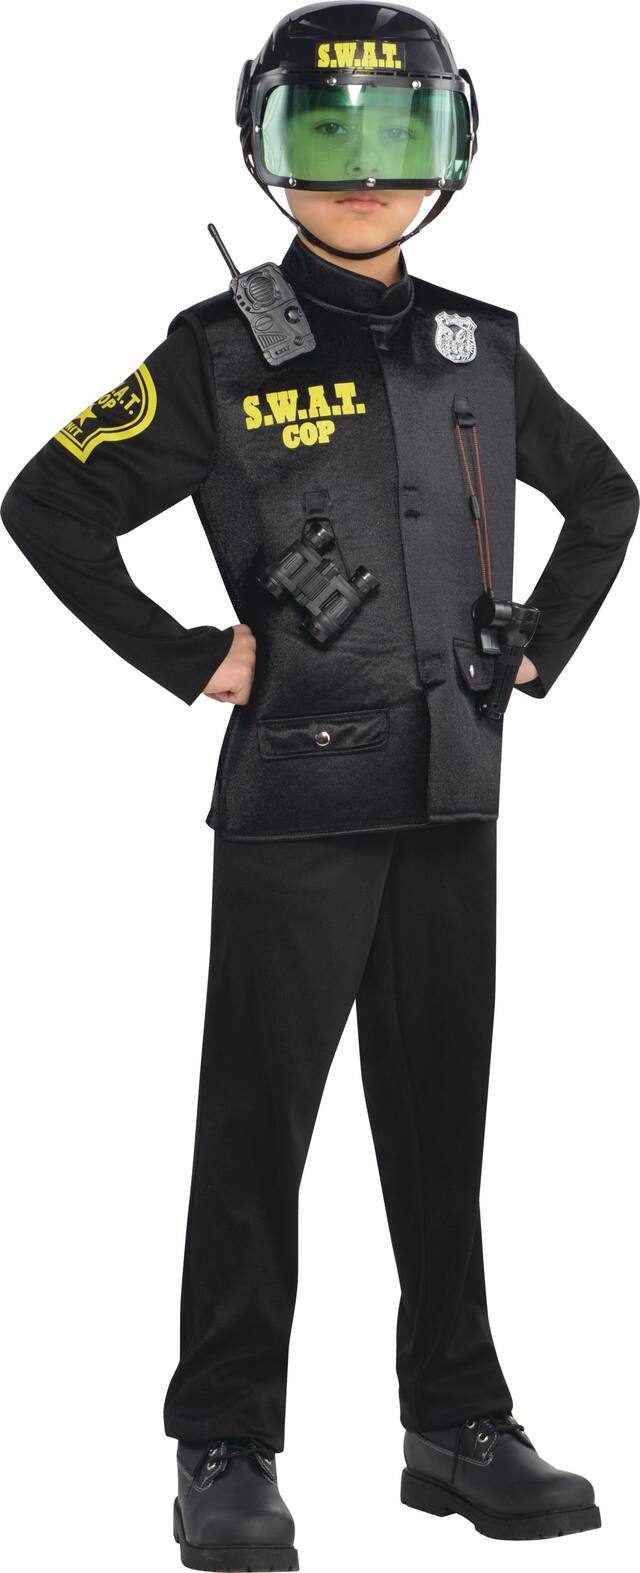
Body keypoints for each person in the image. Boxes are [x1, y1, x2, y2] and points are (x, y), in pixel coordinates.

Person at [2, 2, 637, 1561]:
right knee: (256, 1131)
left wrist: (538, 650)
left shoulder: (482, 346)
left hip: (453, 796)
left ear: (453, 152)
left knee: (442, 1130)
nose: (364, 175)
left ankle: (458, 1422)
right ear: (267, 149)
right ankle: (223, 1438)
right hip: (296, 799)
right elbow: (48, 504)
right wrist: (187, 655)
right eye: (327, 138)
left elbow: (606, 497)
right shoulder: (219, 351)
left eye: (399, 137)